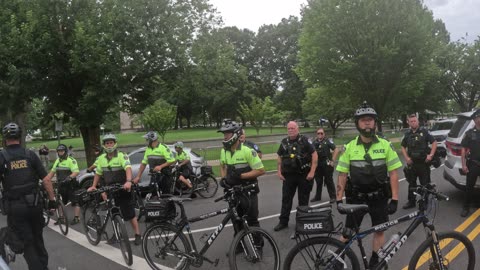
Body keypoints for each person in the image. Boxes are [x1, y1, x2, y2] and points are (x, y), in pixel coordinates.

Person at [335, 102, 402, 267]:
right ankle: (337, 259)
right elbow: (342, 175)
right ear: (358, 123)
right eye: (363, 120)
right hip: (356, 198)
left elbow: (393, 173)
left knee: (379, 230)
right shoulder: (349, 147)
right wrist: (338, 200)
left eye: (370, 120)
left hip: (378, 198)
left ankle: (374, 259)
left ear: (375, 122)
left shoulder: (385, 145)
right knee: (347, 233)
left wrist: (394, 199)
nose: (367, 123)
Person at [0, 122, 56, 270]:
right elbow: (46, 180)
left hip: (16, 208)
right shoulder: (30, 154)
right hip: (35, 204)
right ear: (20, 136)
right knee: (38, 239)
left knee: (27, 243)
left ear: (4, 139)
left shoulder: (2, 157)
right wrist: (52, 201)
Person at [87, 134, 141, 245]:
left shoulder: (122, 155)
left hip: (123, 187)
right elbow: (98, 173)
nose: (109, 145)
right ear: (104, 145)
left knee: (130, 213)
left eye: (111, 142)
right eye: (107, 143)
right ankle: (117, 234)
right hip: (109, 188)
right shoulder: (101, 158)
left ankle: (137, 234)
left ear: (115, 143)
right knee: (113, 212)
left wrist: (128, 181)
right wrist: (93, 185)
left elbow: (128, 168)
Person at [218, 121, 265, 245]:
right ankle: (239, 246)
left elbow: (261, 170)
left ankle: (258, 245)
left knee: (252, 221)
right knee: (236, 221)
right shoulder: (224, 151)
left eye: (227, 133)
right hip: (233, 193)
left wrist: (241, 175)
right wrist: (223, 179)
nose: (225, 137)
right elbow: (222, 166)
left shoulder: (248, 151)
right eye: (224, 134)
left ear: (236, 134)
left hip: (248, 192)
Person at [274, 121, 317, 231]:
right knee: (286, 199)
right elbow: (279, 157)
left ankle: (302, 222)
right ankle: (283, 222)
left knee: (303, 200)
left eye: (293, 128)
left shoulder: (305, 140)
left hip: (303, 175)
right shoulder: (284, 142)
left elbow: (314, 155)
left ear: (298, 129)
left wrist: (312, 171)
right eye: (289, 128)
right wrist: (279, 171)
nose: (291, 130)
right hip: (288, 176)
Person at [400, 114, 437, 209]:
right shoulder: (407, 134)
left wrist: (431, 155)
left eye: (414, 121)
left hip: (423, 164)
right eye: (411, 121)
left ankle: (425, 201)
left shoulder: (424, 132)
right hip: (412, 163)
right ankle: (411, 201)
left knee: (425, 184)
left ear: (418, 122)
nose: (413, 122)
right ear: (408, 122)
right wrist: (407, 158)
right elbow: (403, 146)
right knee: (411, 184)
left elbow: (434, 143)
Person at [44, 144, 81, 225]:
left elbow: (76, 172)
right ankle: (61, 218)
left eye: (62, 151)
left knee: (75, 202)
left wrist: (69, 178)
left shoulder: (71, 160)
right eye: (59, 151)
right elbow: (52, 173)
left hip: (71, 184)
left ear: (65, 151)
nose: (60, 153)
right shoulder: (57, 161)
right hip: (61, 184)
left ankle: (77, 218)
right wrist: (46, 179)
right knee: (59, 202)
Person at [460, 109, 480, 217]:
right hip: (473, 164)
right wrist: (463, 165)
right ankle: (466, 207)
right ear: (475, 119)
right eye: (479, 117)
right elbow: (463, 149)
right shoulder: (469, 134)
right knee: (469, 187)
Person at [311, 128, 338, 203]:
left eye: (321, 133)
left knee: (329, 181)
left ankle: (333, 197)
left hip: (326, 164)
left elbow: (336, 149)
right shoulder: (314, 142)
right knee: (318, 181)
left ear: (324, 134)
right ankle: (318, 196)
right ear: (316, 134)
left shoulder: (328, 141)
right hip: (318, 165)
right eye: (318, 133)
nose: (320, 135)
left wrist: (333, 160)